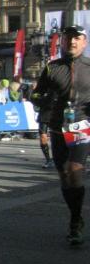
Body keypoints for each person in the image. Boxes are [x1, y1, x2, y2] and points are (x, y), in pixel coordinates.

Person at [33, 25, 90, 245]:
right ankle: (75, 215)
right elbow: (36, 94)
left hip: (81, 126)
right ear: (63, 42)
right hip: (58, 127)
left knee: (74, 169)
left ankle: (75, 221)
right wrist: (44, 100)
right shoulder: (52, 67)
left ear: (84, 42)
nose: (72, 42)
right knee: (64, 175)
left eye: (76, 38)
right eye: (68, 38)